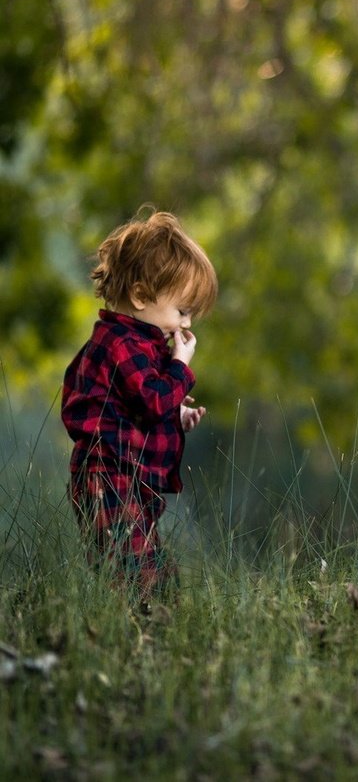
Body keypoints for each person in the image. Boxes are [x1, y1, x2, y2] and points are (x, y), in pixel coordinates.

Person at [61, 208, 217, 598]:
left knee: (153, 573)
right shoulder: (121, 345)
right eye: (182, 311)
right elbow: (150, 399)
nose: (186, 325)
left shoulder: (139, 347)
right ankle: (136, 642)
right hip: (109, 477)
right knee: (135, 577)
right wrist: (180, 369)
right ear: (141, 295)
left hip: (132, 479)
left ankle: (150, 639)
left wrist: (175, 416)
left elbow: (135, 406)